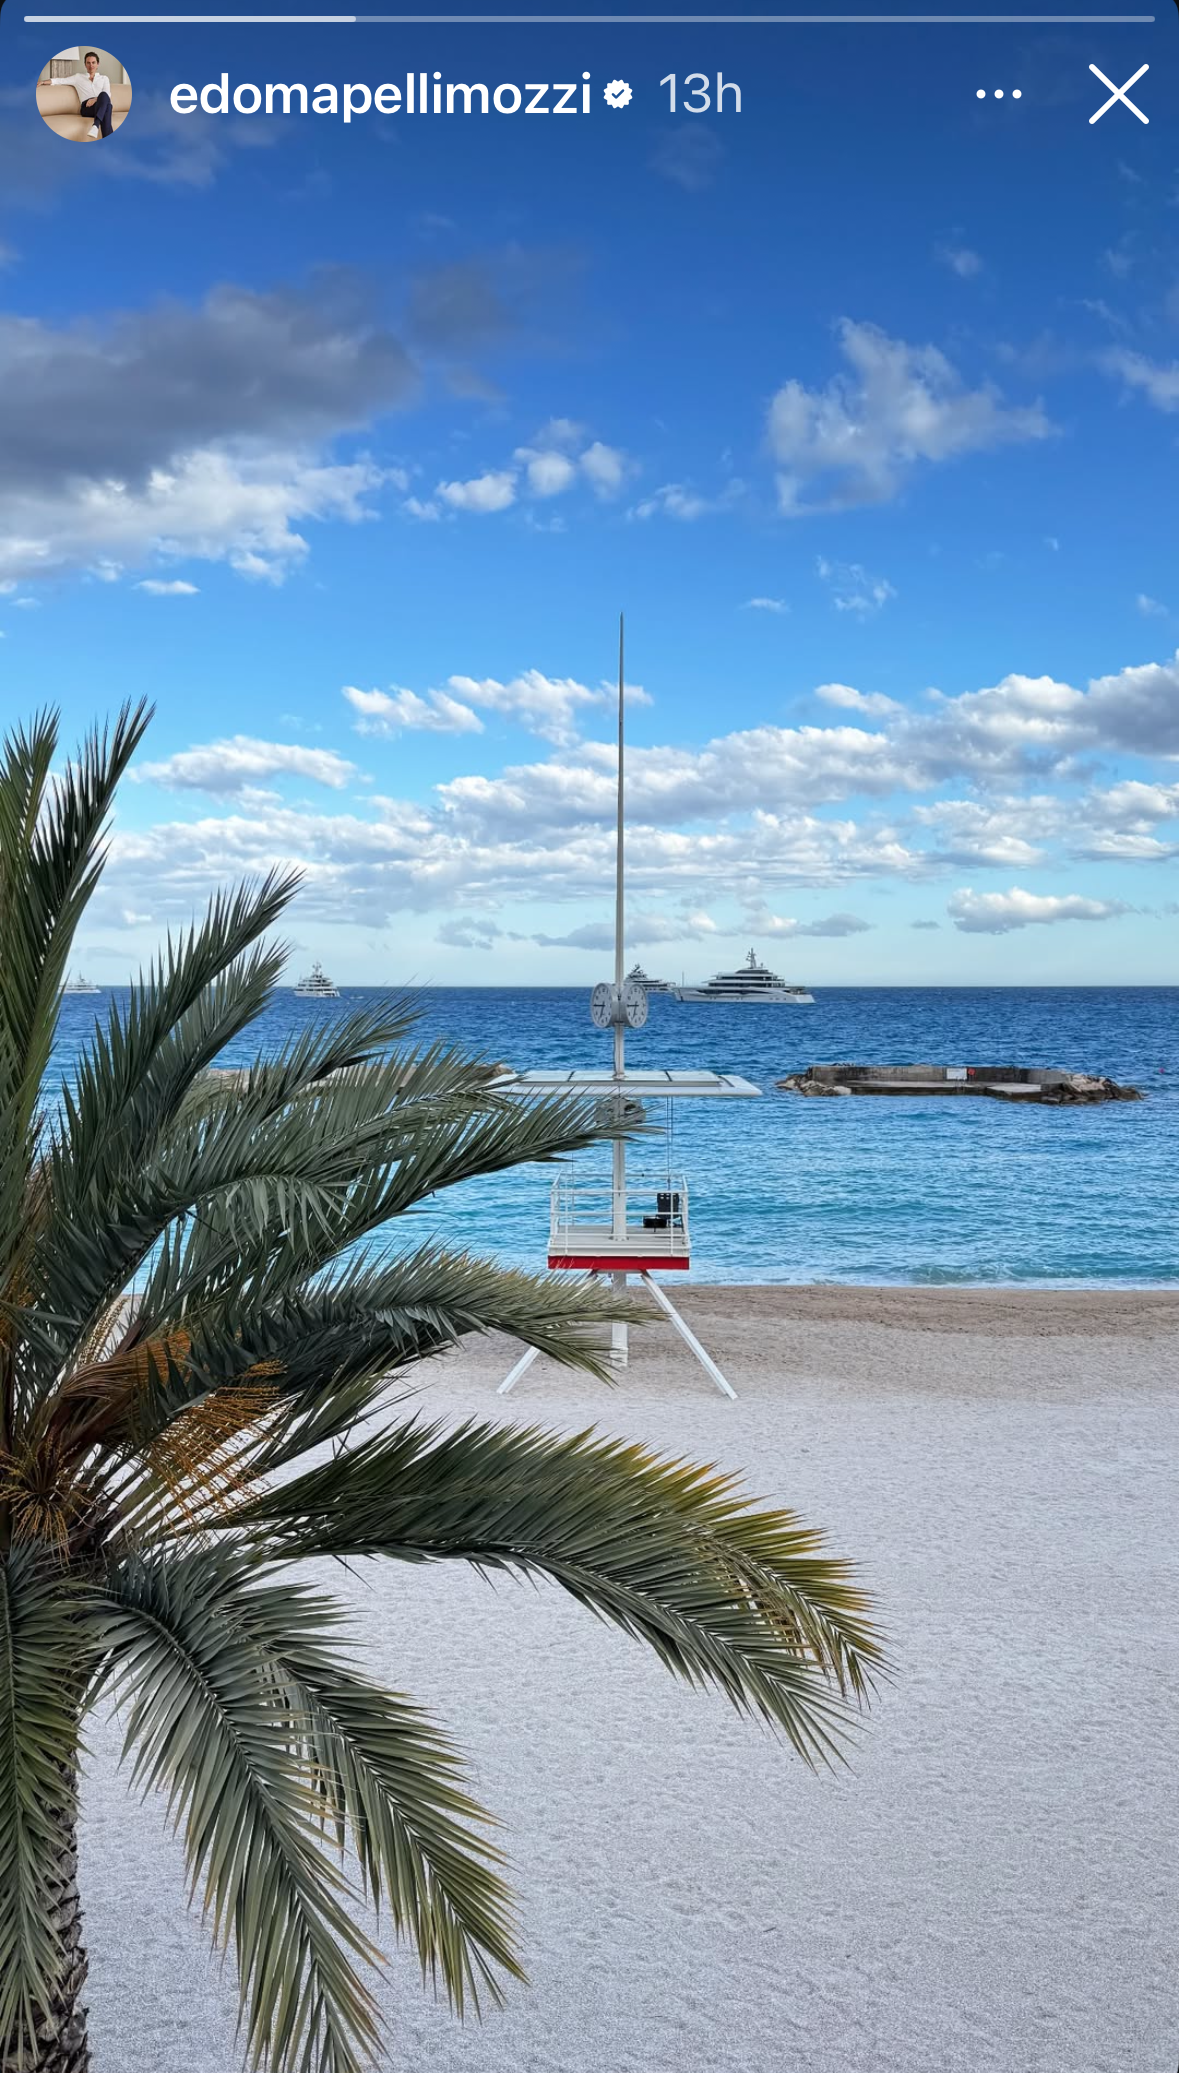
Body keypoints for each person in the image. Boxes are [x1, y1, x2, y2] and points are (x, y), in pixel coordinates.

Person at [62, 50, 113, 139]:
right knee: (108, 107)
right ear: (85, 64)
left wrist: (94, 99)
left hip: (100, 104)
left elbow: (107, 95)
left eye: (93, 62)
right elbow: (61, 81)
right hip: (87, 107)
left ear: (98, 64)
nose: (91, 65)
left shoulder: (104, 78)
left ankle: (95, 126)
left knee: (105, 97)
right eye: (88, 63)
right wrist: (43, 82)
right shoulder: (78, 77)